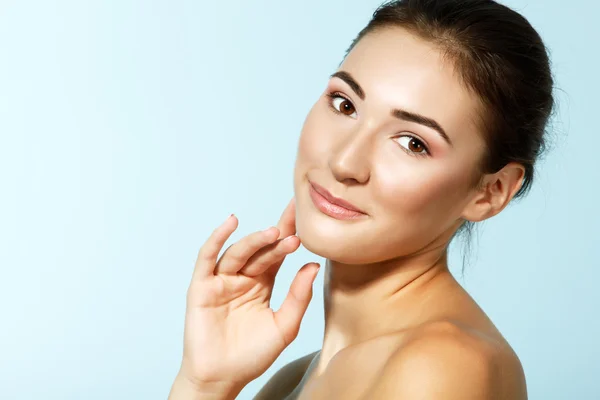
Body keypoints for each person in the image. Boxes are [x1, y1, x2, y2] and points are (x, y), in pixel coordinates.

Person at [168, 0, 554, 398]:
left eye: (413, 143)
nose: (344, 161)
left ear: (490, 192)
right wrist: (204, 383)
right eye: (345, 104)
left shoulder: (444, 367)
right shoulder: (295, 378)